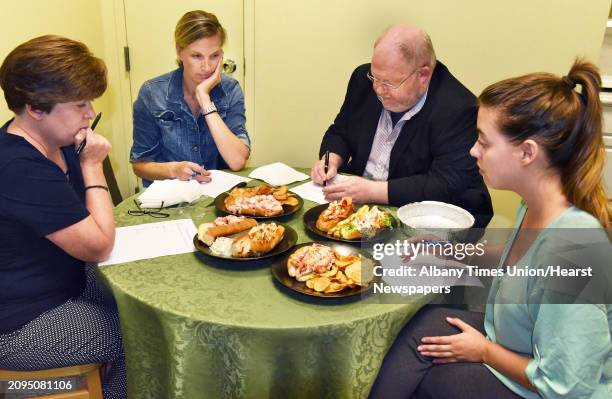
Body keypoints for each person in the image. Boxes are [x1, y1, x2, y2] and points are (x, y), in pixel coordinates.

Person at [369, 60, 612, 398]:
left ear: (527, 152)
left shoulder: (574, 249)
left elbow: (568, 385)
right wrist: (453, 251)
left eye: (484, 142)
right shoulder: (535, 204)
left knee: (431, 381)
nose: (473, 150)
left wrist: (484, 351)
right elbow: (521, 264)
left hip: (548, 388)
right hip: (511, 344)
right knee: (420, 324)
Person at [0, 35, 125, 398]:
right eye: (80, 105)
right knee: (138, 334)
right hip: (19, 320)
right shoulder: (18, 167)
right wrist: (92, 165)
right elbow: (98, 245)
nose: (90, 114)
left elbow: (93, 220)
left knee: (150, 305)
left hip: (61, 280)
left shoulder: (56, 139)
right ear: (35, 108)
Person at [311, 24, 493, 228]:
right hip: (358, 207)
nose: (379, 90)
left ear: (423, 75)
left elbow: (444, 184)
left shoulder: (458, 108)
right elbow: (340, 130)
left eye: (389, 83)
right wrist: (331, 159)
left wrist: (372, 191)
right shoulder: (362, 79)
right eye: (375, 78)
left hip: (427, 221)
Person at [130, 10, 250, 187]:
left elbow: (237, 161)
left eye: (214, 56)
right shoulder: (152, 93)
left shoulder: (230, 89)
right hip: (171, 199)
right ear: (179, 51)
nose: (207, 66)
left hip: (217, 197)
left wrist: (204, 99)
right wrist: (172, 170)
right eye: (196, 56)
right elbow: (140, 165)